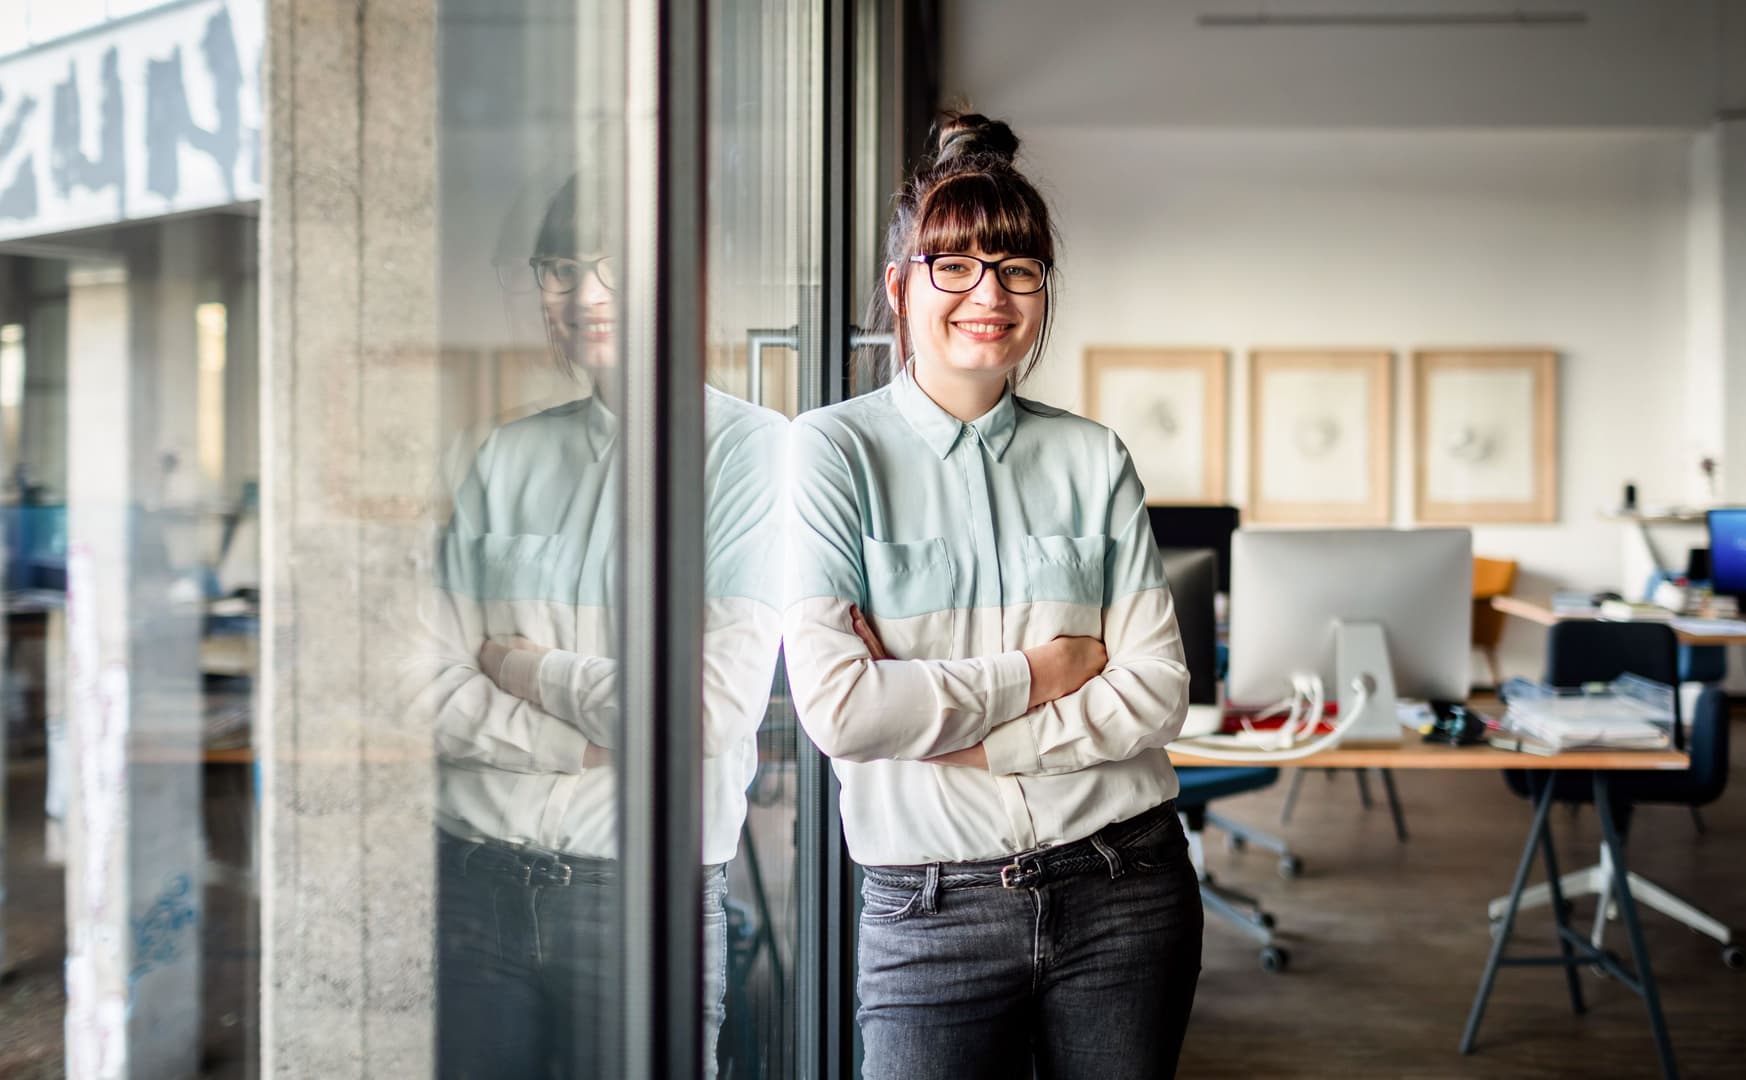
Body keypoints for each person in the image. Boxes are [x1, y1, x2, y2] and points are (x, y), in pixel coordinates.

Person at [782, 112, 1202, 1080]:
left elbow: (1155, 693)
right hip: (928, 909)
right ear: (899, 287)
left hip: (1124, 885)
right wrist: (1044, 670)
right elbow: (843, 708)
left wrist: (963, 734)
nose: (991, 294)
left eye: (1017, 268)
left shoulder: (1091, 456)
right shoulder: (831, 454)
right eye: (955, 266)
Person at [403, 176, 784, 1078]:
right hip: (470, 890)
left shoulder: (750, 453)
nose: (585, 295)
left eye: (614, 267)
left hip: (640, 906)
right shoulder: (506, 455)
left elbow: (706, 712)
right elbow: (418, 684)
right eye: (562, 269)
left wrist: (524, 669)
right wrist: (587, 746)